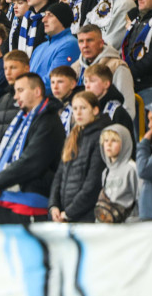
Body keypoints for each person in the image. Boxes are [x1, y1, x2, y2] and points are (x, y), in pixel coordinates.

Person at [0, 73, 66, 223]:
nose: (15, 97)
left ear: (37, 92)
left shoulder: (49, 121)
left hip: (31, 205)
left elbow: (32, 161)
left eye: (20, 90)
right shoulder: (19, 120)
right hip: (4, 201)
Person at [48, 92, 112, 223]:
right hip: (64, 214)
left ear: (95, 110)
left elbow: (93, 183)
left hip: (86, 216)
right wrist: (54, 206)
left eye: (83, 108)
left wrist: (69, 213)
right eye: (75, 108)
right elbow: (59, 174)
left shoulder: (101, 137)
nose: (78, 113)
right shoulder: (73, 135)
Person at [95, 124, 137, 223]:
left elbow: (142, 200)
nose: (108, 144)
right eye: (105, 141)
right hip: (109, 227)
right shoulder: (106, 172)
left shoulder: (132, 169)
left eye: (114, 141)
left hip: (129, 228)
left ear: (124, 143)